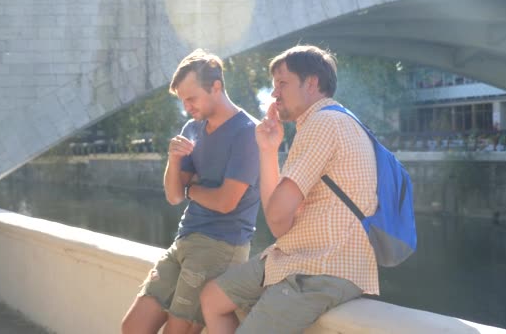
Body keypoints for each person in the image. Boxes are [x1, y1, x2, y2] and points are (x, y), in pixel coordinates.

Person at [200, 45, 380, 334]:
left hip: (322, 268)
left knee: (214, 300)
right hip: (295, 256)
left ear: (312, 83)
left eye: (282, 83)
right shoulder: (335, 120)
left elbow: (277, 220)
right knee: (213, 298)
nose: (274, 94)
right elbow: (279, 223)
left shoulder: (323, 123)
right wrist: (268, 149)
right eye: (274, 86)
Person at [121, 49, 260, 334]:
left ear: (217, 87)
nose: (187, 107)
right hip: (185, 240)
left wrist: (191, 188)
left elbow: (225, 202)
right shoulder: (192, 127)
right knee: (133, 327)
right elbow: (174, 196)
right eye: (183, 100)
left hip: (220, 245)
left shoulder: (248, 133)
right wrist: (174, 161)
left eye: (191, 98)